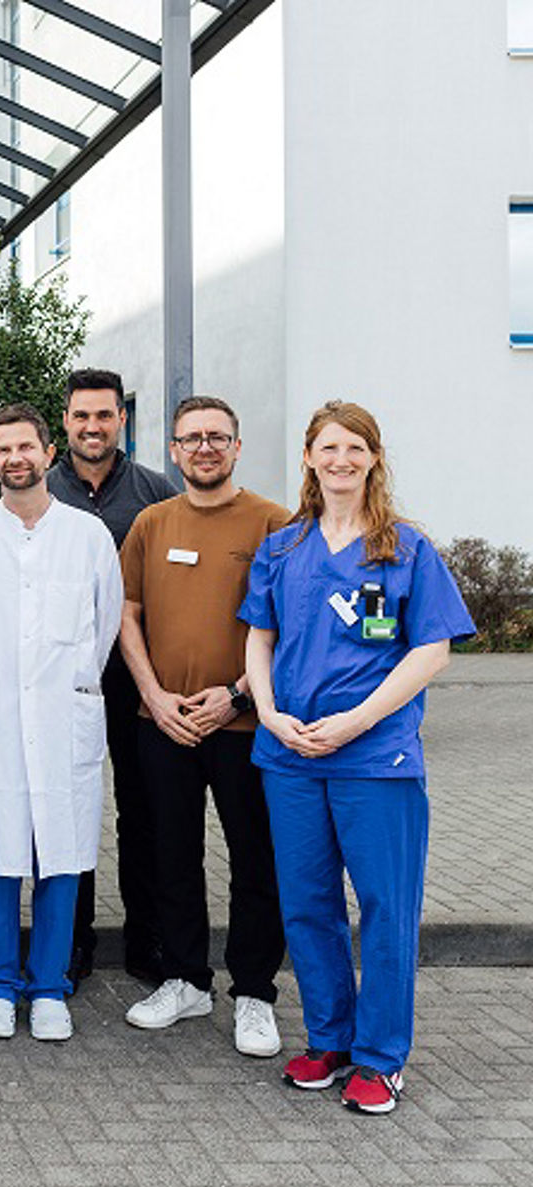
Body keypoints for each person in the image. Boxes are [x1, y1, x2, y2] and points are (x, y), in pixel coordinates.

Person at [241, 401, 473, 1115]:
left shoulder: (406, 549)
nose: (340, 460)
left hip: (376, 757)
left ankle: (380, 1057)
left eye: (355, 448)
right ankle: (331, 1040)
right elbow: (260, 638)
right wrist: (272, 712)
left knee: (384, 907)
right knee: (308, 907)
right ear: (308, 458)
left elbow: (431, 649)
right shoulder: (283, 548)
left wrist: (358, 721)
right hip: (292, 756)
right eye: (327, 448)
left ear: (374, 458)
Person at [0, 404, 121, 1043]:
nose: (15, 459)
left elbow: (104, 627)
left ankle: (48, 985)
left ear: (48, 453)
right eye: (2, 450)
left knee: (60, 857)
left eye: (26, 447)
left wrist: (62, 688)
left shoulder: (87, 536)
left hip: (61, 714)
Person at [117, 396, 291, 1057]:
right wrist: (155, 696)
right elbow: (127, 616)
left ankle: (253, 992)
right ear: (172, 450)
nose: (205, 448)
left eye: (218, 437)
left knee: (256, 861)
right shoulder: (152, 523)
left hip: (243, 725)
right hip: (162, 722)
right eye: (192, 438)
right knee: (170, 857)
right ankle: (186, 979)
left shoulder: (276, 524)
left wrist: (238, 696)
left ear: (238, 447)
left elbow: (290, 630)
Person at [46, 368, 178, 985]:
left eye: (104, 415)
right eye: (81, 416)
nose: (92, 427)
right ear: (65, 421)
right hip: (61, 679)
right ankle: (70, 942)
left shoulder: (155, 493)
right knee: (68, 809)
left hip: (135, 677)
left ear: (121, 419)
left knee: (142, 808)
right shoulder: (42, 492)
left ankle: (146, 939)